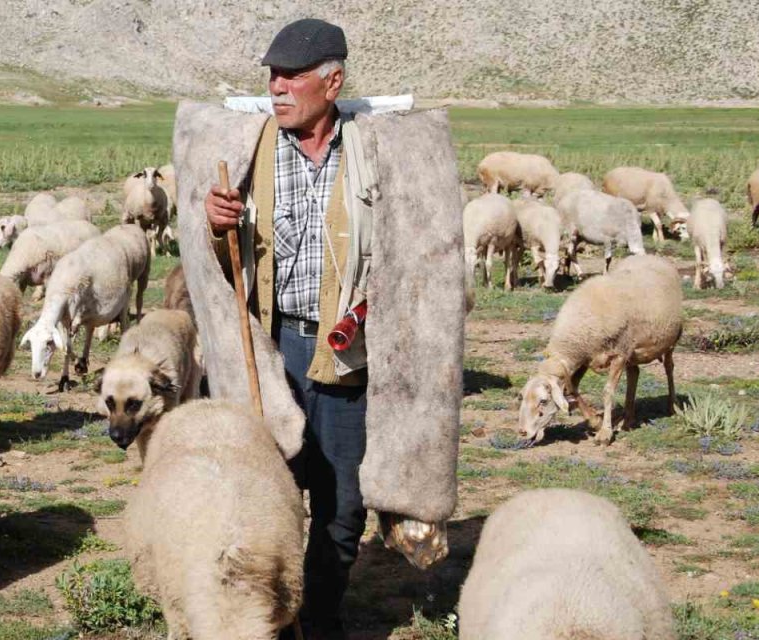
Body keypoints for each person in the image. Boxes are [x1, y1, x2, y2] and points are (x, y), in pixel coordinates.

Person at [204, 18, 447, 639]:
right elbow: (223, 263)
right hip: (271, 344)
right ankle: (270, 616)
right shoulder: (253, 147)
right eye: (272, 77)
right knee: (269, 494)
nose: (276, 88)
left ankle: (319, 616)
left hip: (348, 351)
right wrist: (217, 224)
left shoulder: (372, 151)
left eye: (290, 76)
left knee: (340, 505)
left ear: (332, 81)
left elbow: (415, 242)